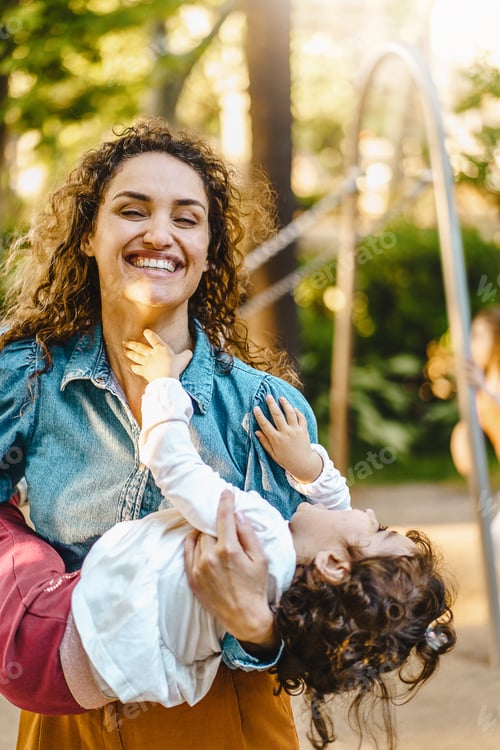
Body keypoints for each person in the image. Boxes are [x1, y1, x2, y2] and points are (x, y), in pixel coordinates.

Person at [0, 117, 323, 750]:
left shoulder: (267, 410)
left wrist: (257, 628)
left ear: (208, 250)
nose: (159, 234)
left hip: (225, 713)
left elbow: (328, 599)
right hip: (72, 714)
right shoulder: (26, 380)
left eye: (186, 217)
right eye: (132, 210)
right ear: (88, 235)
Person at [63, 328, 456, 750]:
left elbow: (175, 465)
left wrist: (163, 387)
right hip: (96, 673)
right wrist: (308, 467)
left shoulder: (261, 531)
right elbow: (339, 523)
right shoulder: (292, 588)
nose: (371, 514)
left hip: (65, 636)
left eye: (379, 531)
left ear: (334, 566)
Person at [450, 306, 500, 477]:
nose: (471, 345)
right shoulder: (483, 386)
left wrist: (483, 387)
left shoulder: (487, 386)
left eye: (478, 336)